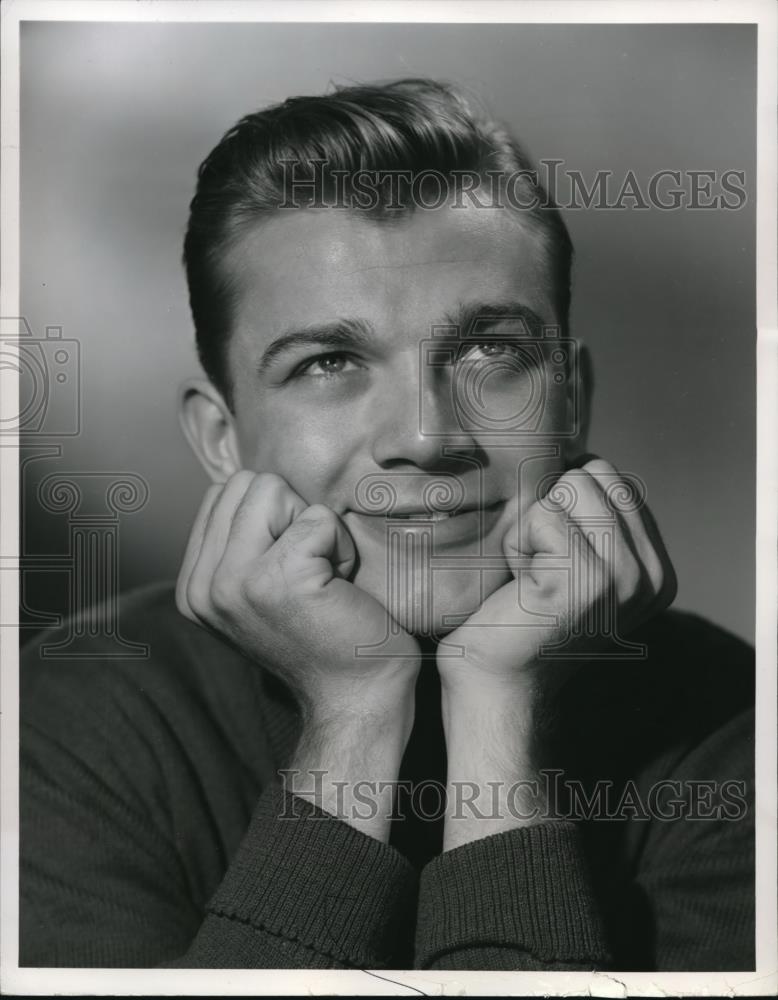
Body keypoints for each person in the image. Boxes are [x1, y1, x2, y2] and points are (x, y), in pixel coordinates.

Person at [19, 79, 754, 971]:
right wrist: (355, 713)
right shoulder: (65, 723)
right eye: (329, 360)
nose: (427, 437)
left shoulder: (735, 724)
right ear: (222, 439)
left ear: (576, 402)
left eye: (493, 352)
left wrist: (497, 707)